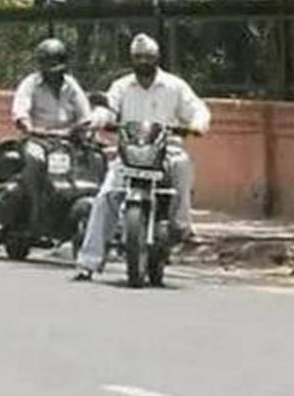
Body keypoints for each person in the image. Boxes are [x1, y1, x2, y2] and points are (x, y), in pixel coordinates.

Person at [74, 33, 211, 281]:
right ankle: (88, 262)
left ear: (157, 58)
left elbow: (197, 108)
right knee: (106, 197)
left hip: (166, 150)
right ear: (131, 60)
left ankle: (182, 224)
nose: (143, 62)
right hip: (129, 152)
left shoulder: (174, 86)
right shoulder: (121, 86)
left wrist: (197, 124)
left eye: (148, 57)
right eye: (138, 57)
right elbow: (107, 108)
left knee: (181, 164)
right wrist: (98, 120)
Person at [11, 37, 93, 233]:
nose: (53, 69)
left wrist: (85, 129)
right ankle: (36, 207)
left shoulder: (71, 85)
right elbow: (20, 111)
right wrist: (28, 127)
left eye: (56, 62)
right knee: (36, 159)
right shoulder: (30, 84)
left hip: (68, 141)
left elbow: (85, 114)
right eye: (48, 62)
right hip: (39, 140)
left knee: (93, 159)